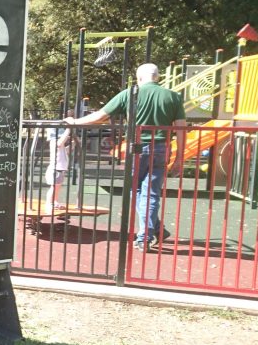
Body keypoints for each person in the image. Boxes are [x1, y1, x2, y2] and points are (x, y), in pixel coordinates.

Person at [64, 63, 185, 249]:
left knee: (136, 190)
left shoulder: (130, 94)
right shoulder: (173, 97)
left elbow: (99, 116)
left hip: (136, 148)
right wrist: (179, 158)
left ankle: (145, 237)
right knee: (150, 192)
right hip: (161, 147)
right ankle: (157, 229)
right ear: (157, 77)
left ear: (139, 78)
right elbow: (181, 129)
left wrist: (74, 122)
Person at [44, 111, 73, 211]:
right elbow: (60, 143)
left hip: (60, 168)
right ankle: (49, 203)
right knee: (53, 187)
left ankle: (55, 201)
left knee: (57, 187)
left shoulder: (60, 144)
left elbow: (65, 151)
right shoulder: (54, 141)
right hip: (55, 169)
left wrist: (72, 145)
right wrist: (69, 129)